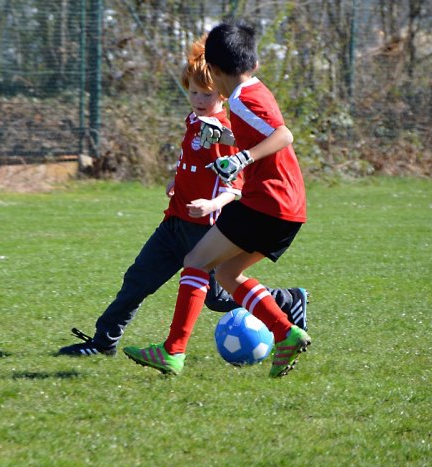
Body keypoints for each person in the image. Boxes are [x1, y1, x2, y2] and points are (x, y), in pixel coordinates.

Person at [58, 35, 307, 357]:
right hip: (174, 221)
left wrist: (213, 203)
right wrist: (176, 181)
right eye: (192, 91)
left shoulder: (233, 123)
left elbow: (239, 184)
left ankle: (285, 302)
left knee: (217, 296)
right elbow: (193, 163)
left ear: (220, 89)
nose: (199, 99)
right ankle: (103, 343)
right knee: (137, 280)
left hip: (207, 227)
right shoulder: (195, 122)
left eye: (206, 94)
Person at [123, 21, 311, 378]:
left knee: (195, 261)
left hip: (265, 202)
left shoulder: (241, 99)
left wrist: (240, 158)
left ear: (212, 68)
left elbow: (283, 135)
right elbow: (256, 131)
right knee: (227, 273)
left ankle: (173, 351)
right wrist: (226, 136)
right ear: (253, 63)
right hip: (289, 207)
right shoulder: (256, 89)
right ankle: (286, 334)